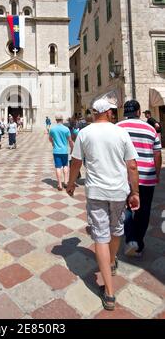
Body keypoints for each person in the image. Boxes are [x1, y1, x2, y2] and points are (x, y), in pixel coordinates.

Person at [67, 99, 140, 311]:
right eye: (113, 111)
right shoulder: (120, 132)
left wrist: (71, 184)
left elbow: (76, 162)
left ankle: (109, 293)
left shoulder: (85, 133)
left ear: (94, 112)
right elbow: (132, 165)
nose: (114, 114)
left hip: (97, 192)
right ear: (107, 112)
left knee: (100, 236)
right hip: (118, 192)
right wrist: (135, 192)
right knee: (116, 230)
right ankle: (111, 261)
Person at [117, 100, 162, 257]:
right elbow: (157, 153)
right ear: (138, 111)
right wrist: (156, 173)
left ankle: (130, 239)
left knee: (126, 208)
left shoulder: (118, 128)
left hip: (125, 177)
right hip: (146, 177)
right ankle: (138, 244)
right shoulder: (150, 129)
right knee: (144, 211)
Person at [49, 114, 74, 191]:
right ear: (62, 119)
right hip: (64, 151)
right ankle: (66, 182)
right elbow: (70, 140)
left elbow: (50, 139)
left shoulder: (52, 129)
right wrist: (72, 148)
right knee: (66, 166)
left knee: (58, 167)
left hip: (56, 151)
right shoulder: (66, 129)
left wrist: (53, 143)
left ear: (56, 120)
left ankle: (60, 184)